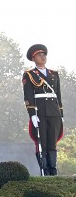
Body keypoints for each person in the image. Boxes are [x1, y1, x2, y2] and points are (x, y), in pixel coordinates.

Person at [23, 44, 65, 176]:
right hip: (40, 111)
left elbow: (58, 95)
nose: (43, 56)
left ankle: (53, 169)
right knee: (43, 142)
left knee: (52, 141)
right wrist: (32, 115)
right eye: (39, 55)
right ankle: (45, 170)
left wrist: (61, 113)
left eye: (44, 54)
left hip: (54, 111)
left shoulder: (54, 74)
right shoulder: (29, 74)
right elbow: (28, 95)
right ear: (33, 58)